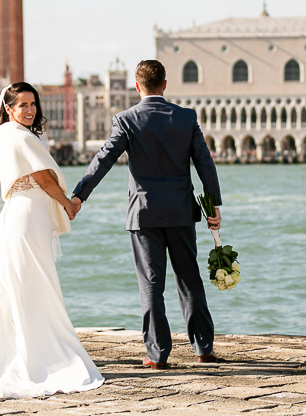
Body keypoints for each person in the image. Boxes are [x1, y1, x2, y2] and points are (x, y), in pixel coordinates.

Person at [0, 82, 104, 398]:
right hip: (26, 214)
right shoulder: (18, 134)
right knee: (32, 282)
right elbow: (43, 178)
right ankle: (28, 354)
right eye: (22, 104)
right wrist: (68, 203)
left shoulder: (5, 134)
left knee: (15, 283)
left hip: (21, 213)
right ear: (8, 108)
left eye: (32, 104)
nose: (29, 110)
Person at [71, 59, 223, 369]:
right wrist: (213, 204)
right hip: (181, 211)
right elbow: (204, 163)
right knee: (189, 279)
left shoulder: (126, 120)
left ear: (137, 87)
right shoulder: (186, 117)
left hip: (143, 213)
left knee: (151, 284)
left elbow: (103, 160)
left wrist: (79, 196)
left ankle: (157, 355)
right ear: (165, 85)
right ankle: (203, 348)